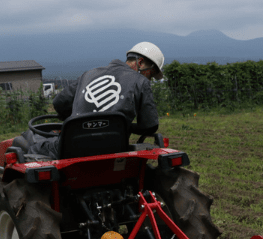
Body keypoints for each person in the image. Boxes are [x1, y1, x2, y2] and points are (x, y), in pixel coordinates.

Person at [17, 42, 164, 159]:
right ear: (141, 62)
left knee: (27, 145)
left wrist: (75, 120)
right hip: (114, 148)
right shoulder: (140, 82)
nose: (148, 79)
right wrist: (121, 125)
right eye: (150, 74)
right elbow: (150, 126)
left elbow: (59, 103)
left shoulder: (89, 74)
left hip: (71, 148)